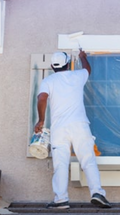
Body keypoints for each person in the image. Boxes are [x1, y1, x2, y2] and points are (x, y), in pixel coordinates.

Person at [34, 50, 111, 209]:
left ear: (51, 67)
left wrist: (41, 120)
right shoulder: (77, 76)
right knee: (88, 160)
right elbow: (87, 69)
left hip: (59, 129)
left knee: (60, 164)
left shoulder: (48, 81)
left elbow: (42, 98)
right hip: (80, 126)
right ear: (68, 64)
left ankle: (61, 199)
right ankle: (97, 193)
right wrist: (83, 57)